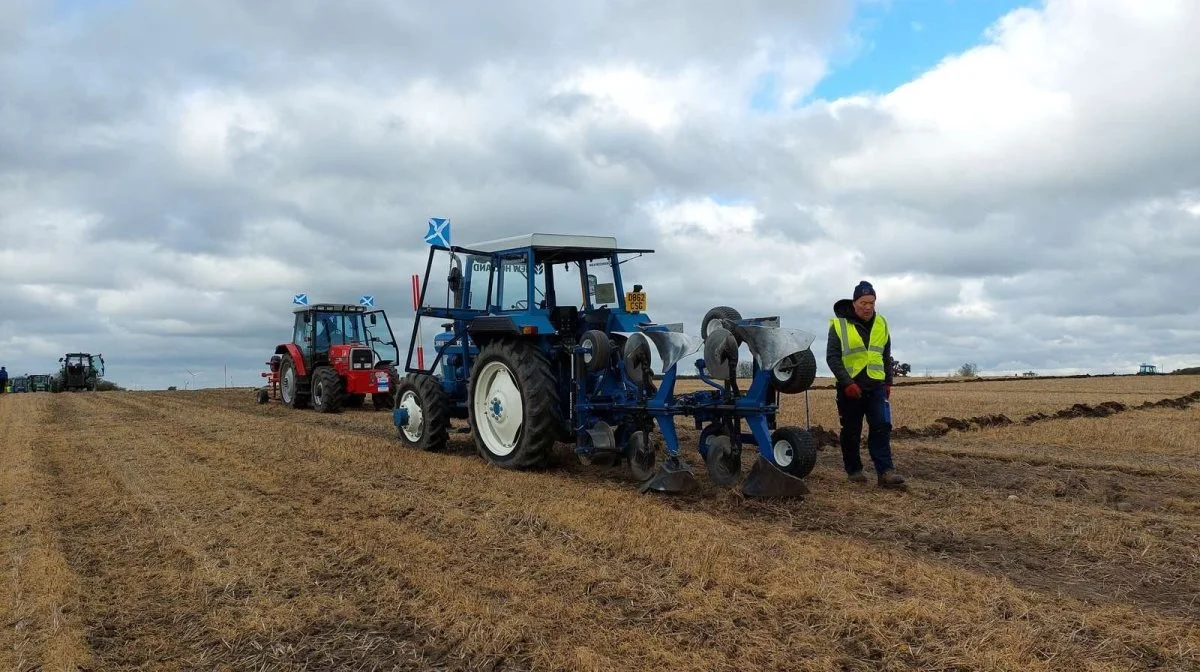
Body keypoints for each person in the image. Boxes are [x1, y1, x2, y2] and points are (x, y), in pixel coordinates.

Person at [826, 281, 905, 487]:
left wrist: (888, 381)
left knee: (881, 426)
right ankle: (854, 470)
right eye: (863, 303)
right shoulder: (839, 325)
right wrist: (847, 382)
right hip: (850, 388)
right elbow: (832, 358)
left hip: (876, 385)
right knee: (851, 430)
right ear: (854, 303)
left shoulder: (882, 323)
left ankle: (885, 472)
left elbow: (885, 355)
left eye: (871, 302)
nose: (868, 307)